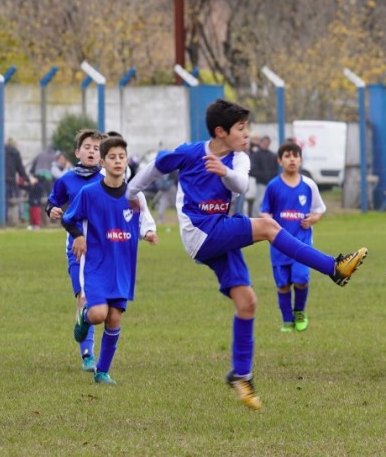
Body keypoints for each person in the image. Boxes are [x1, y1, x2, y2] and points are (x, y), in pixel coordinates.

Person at [125, 98, 367, 410]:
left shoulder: (239, 158)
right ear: (220, 131)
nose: (247, 133)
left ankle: (242, 375)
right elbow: (154, 168)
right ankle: (333, 267)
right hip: (200, 232)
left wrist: (223, 169)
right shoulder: (190, 153)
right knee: (268, 226)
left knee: (247, 302)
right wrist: (129, 194)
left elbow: (239, 185)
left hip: (219, 232)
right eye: (241, 128)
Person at [66, 136, 158, 385]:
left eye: (121, 157)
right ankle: (83, 318)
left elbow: (144, 221)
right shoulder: (89, 193)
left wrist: (148, 233)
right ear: (103, 162)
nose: (118, 161)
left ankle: (102, 371)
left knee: (115, 317)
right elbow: (68, 218)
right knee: (98, 314)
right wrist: (78, 237)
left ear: (126, 160)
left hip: (123, 267)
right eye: (112, 157)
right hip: (96, 264)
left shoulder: (135, 196)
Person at [46, 129, 105, 371]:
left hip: (105, 249)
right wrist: (52, 210)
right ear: (77, 152)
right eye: (87, 147)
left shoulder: (108, 178)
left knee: (105, 304)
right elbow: (52, 202)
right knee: (84, 297)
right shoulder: (67, 180)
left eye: (96, 148)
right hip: (77, 248)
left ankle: (87, 331)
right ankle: (88, 355)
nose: (92, 151)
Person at [259, 142, 326, 333]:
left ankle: (300, 313)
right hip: (279, 245)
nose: (292, 160)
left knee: (301, 279)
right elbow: (264, 211)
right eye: (287, 156)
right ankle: (287, 320)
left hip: (302, 243)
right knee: (283, 285)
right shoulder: (273, 186)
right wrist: (269, 221)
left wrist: (312, 220)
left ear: (301, 160)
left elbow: (319, 210)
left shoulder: (308, 185)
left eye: (295, 156)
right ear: (280, 161)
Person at [0, 138, 30, 223]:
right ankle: (2, 219)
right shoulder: (15, 153)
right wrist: (27, 179)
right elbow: (20, 168)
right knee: (4, 200)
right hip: (8, 179)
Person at [250, 135, 279, 217]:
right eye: (264, 142)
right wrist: (263, 175)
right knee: (259, 201)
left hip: (271, 183)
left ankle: (269, 219)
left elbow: (276, 170)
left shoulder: (272, 155)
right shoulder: (256, 155)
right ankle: (255, 218)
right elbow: (252, 170)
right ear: (261, 143)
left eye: (267, 143)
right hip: (261, 183)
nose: (266, 144)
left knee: (271, 201)